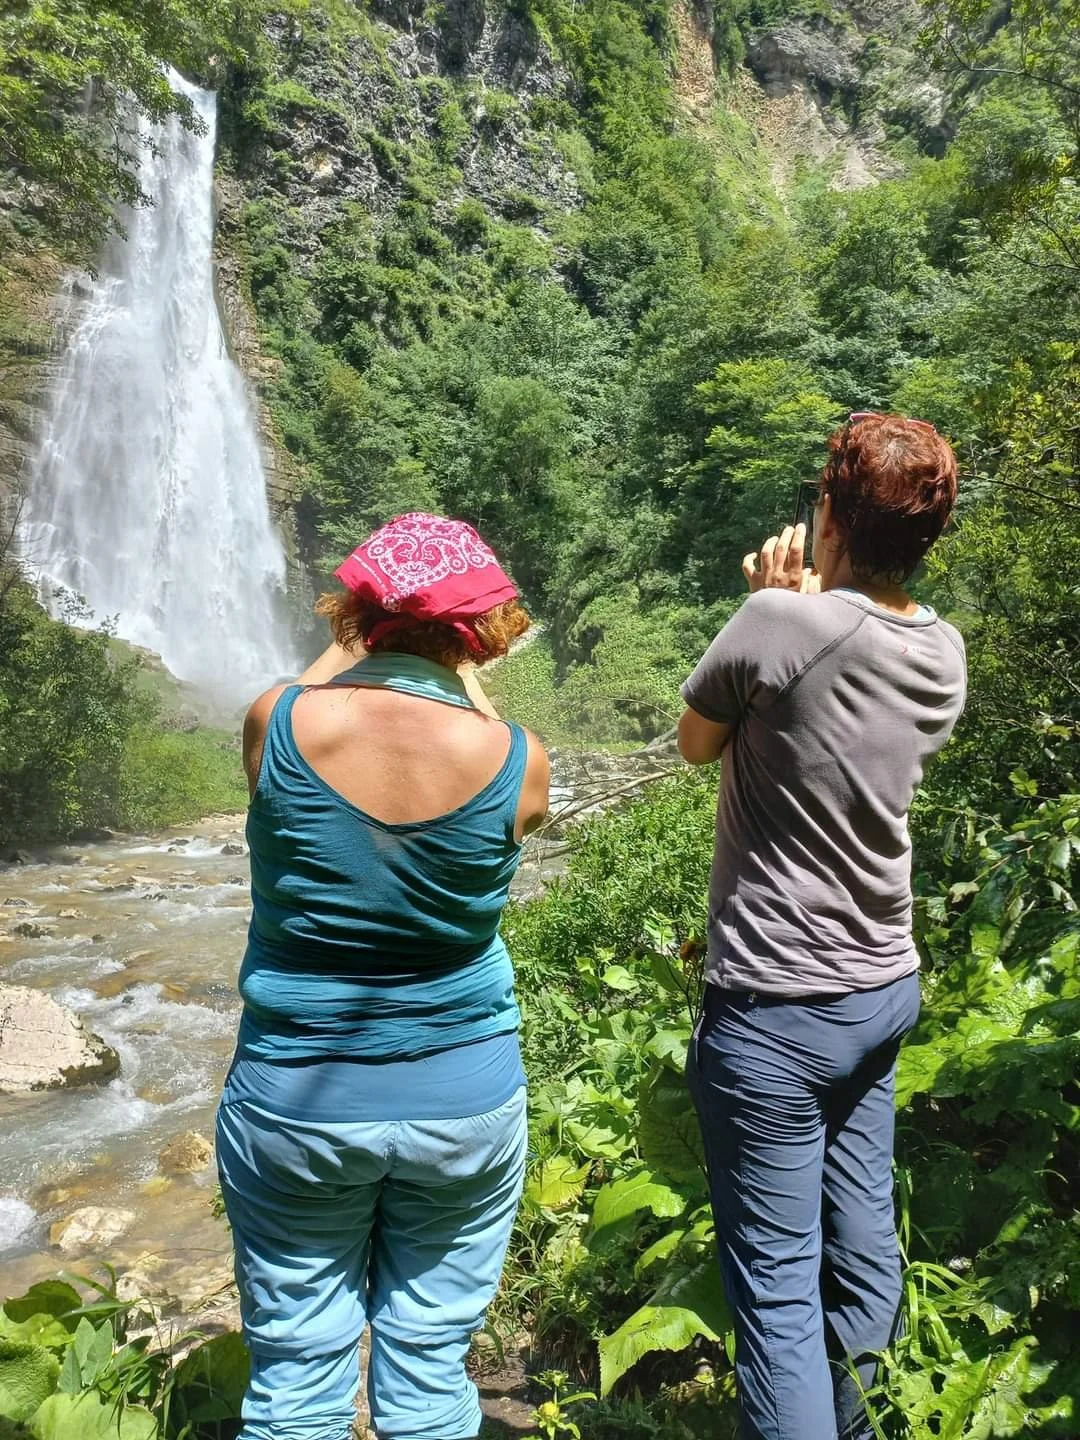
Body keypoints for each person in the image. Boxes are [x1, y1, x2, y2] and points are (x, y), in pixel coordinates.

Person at [216, 513, 550, 1440]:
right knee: (431, 1357)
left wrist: (349, 644)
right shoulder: (519, 758)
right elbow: (477, 734)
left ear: (354, 614)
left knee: (295, 1373)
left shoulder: (274, 722)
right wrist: (456, 667)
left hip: (297, 1099)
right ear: (479, 634)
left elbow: (302, 695)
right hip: (465, 1095)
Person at [678, 414, 967, 1440]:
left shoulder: (779, 624)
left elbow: (695, 741)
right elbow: (836, 686)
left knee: (778, 1301)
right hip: (880, 988)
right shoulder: (942, 646)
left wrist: (768, 602)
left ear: (831, 514)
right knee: (862, 1252)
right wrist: (798, 609)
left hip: (775, 1008)